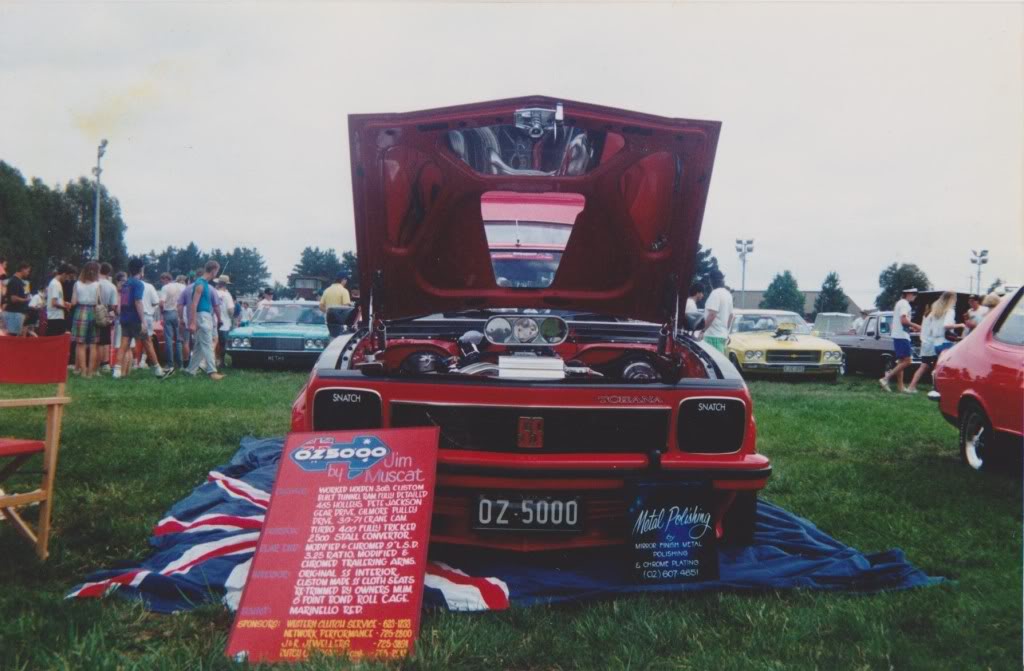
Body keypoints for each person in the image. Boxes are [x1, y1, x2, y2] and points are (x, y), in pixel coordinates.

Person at [115, 258, 166, 379]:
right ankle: (158, 369)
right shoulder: (138, 284)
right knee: (148, 343)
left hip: (125, 318)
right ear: (141, 270)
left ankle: (116, 371)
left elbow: (123, 302)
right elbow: (138, 301)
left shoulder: (125, 284)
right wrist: (143, 321)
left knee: (124, 344)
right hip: (136, 319)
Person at [906, 291, 962, 393]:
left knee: (929, 366)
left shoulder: (929, 314)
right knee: (931, 366)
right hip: (931, 342)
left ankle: (916, 386)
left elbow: (928, 329)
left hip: (930, 343)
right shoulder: (939, 313)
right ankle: (924, 387)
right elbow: (939, 328)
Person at [185, 260, 225, 380]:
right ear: (213, 270)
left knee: (198, 346)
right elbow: (194, 304)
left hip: (204, 316)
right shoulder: (201, 283)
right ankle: (212, 372)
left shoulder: (204, 283)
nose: (216, 274)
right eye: (217, 271)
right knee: (208, 344)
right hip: (202, 316)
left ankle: (190, 370)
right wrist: (192, 322)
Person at [879, 287, 921, 392]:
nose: (915, 296)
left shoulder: (901, 303)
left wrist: (910, 327)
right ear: (908, 294)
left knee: (901, 361)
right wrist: (916, 325)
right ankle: (885, 379)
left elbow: (902, 322)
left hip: (900, 334)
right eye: (914, 294)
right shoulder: (904, 304)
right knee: (907, 361)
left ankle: (901, 387)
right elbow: (903, 320)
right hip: (902, 336)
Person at [70, 262, 102, 376]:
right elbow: (99, 301)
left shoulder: (77, 284)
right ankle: (90, 372)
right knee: (93, 343)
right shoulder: (97, 285)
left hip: (80, 311)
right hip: (93, 312)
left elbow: (73, 302)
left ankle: (82, 370)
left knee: (80, 343)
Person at [700, 270, 733, 353]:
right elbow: (731, 316)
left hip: (712, 336)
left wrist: (703, 330)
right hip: (722, 336)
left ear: (711, 281)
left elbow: (712, 314)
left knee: (711, 363)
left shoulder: (715, 293)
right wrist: (725, 331)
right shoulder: (728, 294)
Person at [159, 272, 185, 369]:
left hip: (168, 312)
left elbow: (161, 303)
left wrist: (162, 312)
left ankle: (170, 364)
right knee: (179, 340)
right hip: (178, 313)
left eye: (162, 281)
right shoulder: (182, 286)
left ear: (165, 279)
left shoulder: (165, 288)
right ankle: (181, 364)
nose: (162, 283)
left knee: (169, 340)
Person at [96, 263, 118, 373]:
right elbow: (114, 305)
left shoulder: (94, 283)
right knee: (105, 340)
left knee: (95, 340)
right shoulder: (112, 286)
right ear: (109, 272)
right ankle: (105, 363)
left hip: (93, 312)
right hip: (106, 313)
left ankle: (95, 363)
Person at [137, 276, 162, 368]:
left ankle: (134, 361)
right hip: (147, 315)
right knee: (148, 340)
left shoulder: (131, 285)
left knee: (133, 340)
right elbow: (156, 302)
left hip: (134, 315)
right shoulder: (150, 287)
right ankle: (143, 361)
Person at [45, 264, 75, 336]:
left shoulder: (57, 283)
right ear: (64, 274)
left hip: (57, 317)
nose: (67, 279)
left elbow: (58, 300)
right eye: (67, 276)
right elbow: (54, 303)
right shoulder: (55, 284)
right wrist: (65, 307)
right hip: (55, 317)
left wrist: (65, 303)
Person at [320, 272, 353, 337]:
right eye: (346, 280)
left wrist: (329, 313)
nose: (346, 282)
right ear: (343, 280)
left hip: (327, 321)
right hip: (340, 324)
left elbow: (321, 306)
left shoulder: (327, 290)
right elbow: (346, 308)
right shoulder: (344, 291)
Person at [3, 262, 31, 336]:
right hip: (13, 314)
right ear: (22, 269)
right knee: (12, 337)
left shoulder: (20, 282)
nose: (28, 273)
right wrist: (25, 300)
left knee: (15, 336)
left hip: (17, 313)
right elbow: (13, 298)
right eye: (28, 271)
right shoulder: (14, 281)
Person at [215, 275, 235, 366]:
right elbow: (231, 310)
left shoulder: (213, 292)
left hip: (213, 322)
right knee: (223, 344)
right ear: (226, 284)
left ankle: (213, 360)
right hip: (224, 323)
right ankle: (221, 362)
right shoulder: (227, 295)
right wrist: (231, 317)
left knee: (213, 342)